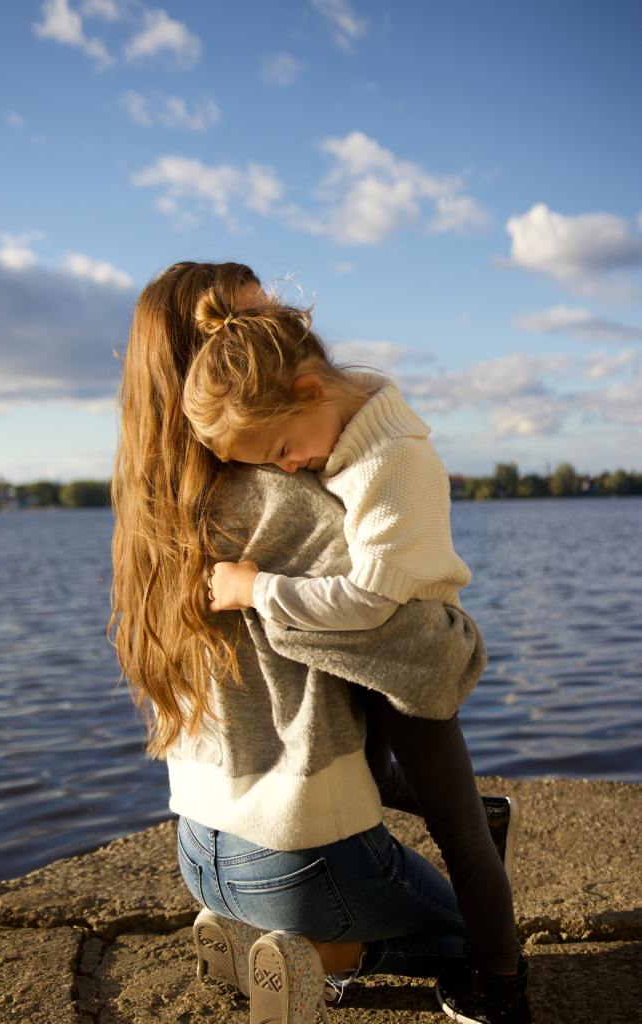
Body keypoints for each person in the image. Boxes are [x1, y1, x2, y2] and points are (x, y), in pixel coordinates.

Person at [110, 260, 529, 1024]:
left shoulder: (154, 515)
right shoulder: (295, 499)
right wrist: (460, 639)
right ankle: (341, 954)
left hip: (199, 851)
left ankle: (255, 931)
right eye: (252, 320)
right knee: (470, 922)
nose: (291, 330)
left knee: (376, 759)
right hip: (297, 864)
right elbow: (419, 658)